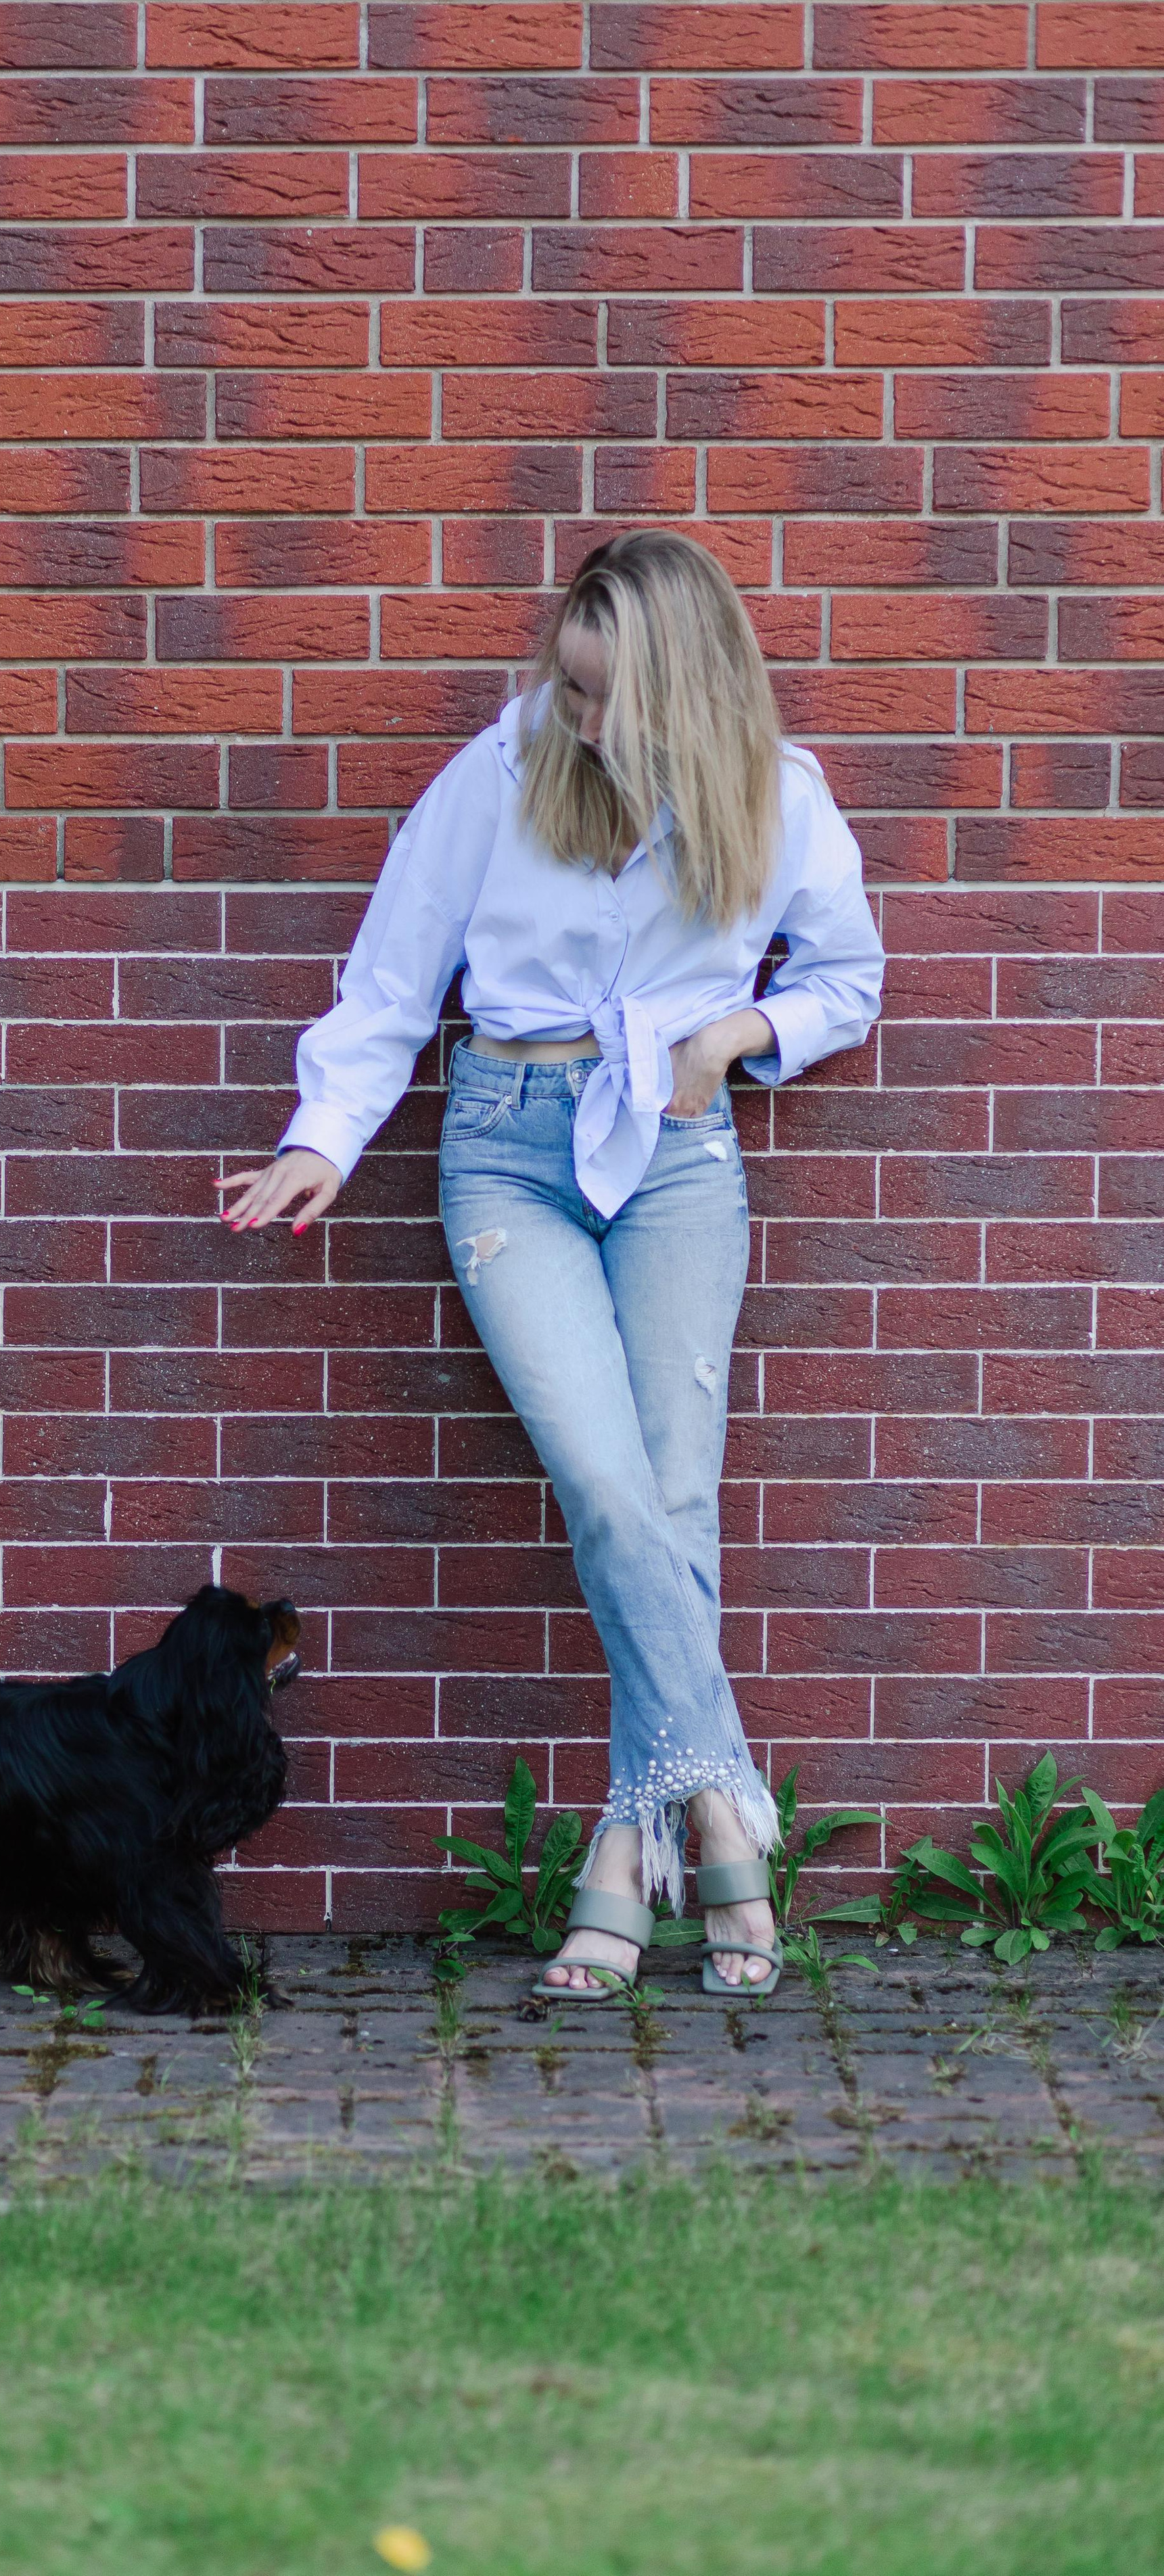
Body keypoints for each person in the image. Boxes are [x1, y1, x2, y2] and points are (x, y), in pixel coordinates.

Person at [218, 530, 885, 2001]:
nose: (578, 724)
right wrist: (324, 1135)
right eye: (568, 691)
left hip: (677, 1157)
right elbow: (393, 976)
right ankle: (718, 1811)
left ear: (682, 686)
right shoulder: (503, 767)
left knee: (671, 1502)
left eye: (605, 700)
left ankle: (617, 1857)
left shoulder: (776, 797)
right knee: (605, 1487)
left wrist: (735, 1035)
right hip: (510, 1144)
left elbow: (844, 980)